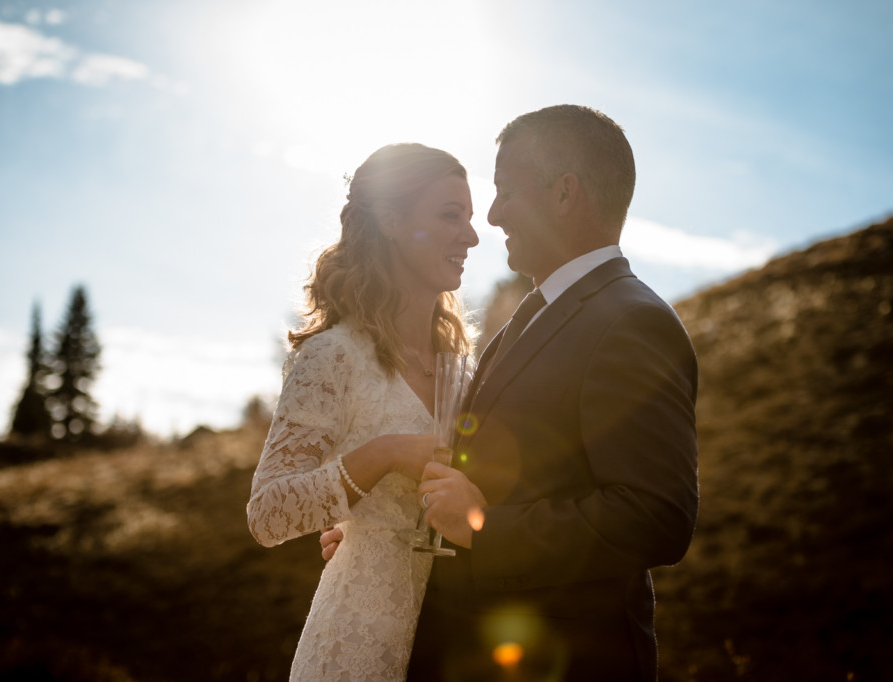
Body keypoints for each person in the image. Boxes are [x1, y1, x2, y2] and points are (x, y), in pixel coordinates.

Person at [324, 105, 699, 680]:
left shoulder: (630, 322)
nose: (493, 216)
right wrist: (382, 539)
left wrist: (485, 529)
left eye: (505, 192)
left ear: (564, 194)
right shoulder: (534, 315)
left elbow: (655, 517)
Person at [247, 142, 479, 681]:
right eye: (451, 216)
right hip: (358, 640)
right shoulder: (333, 355)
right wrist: (384, 455)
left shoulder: (465, 370)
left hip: (457, 641)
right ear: (393, 221)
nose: (470, 236)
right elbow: (267, 515)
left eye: (469, 219)